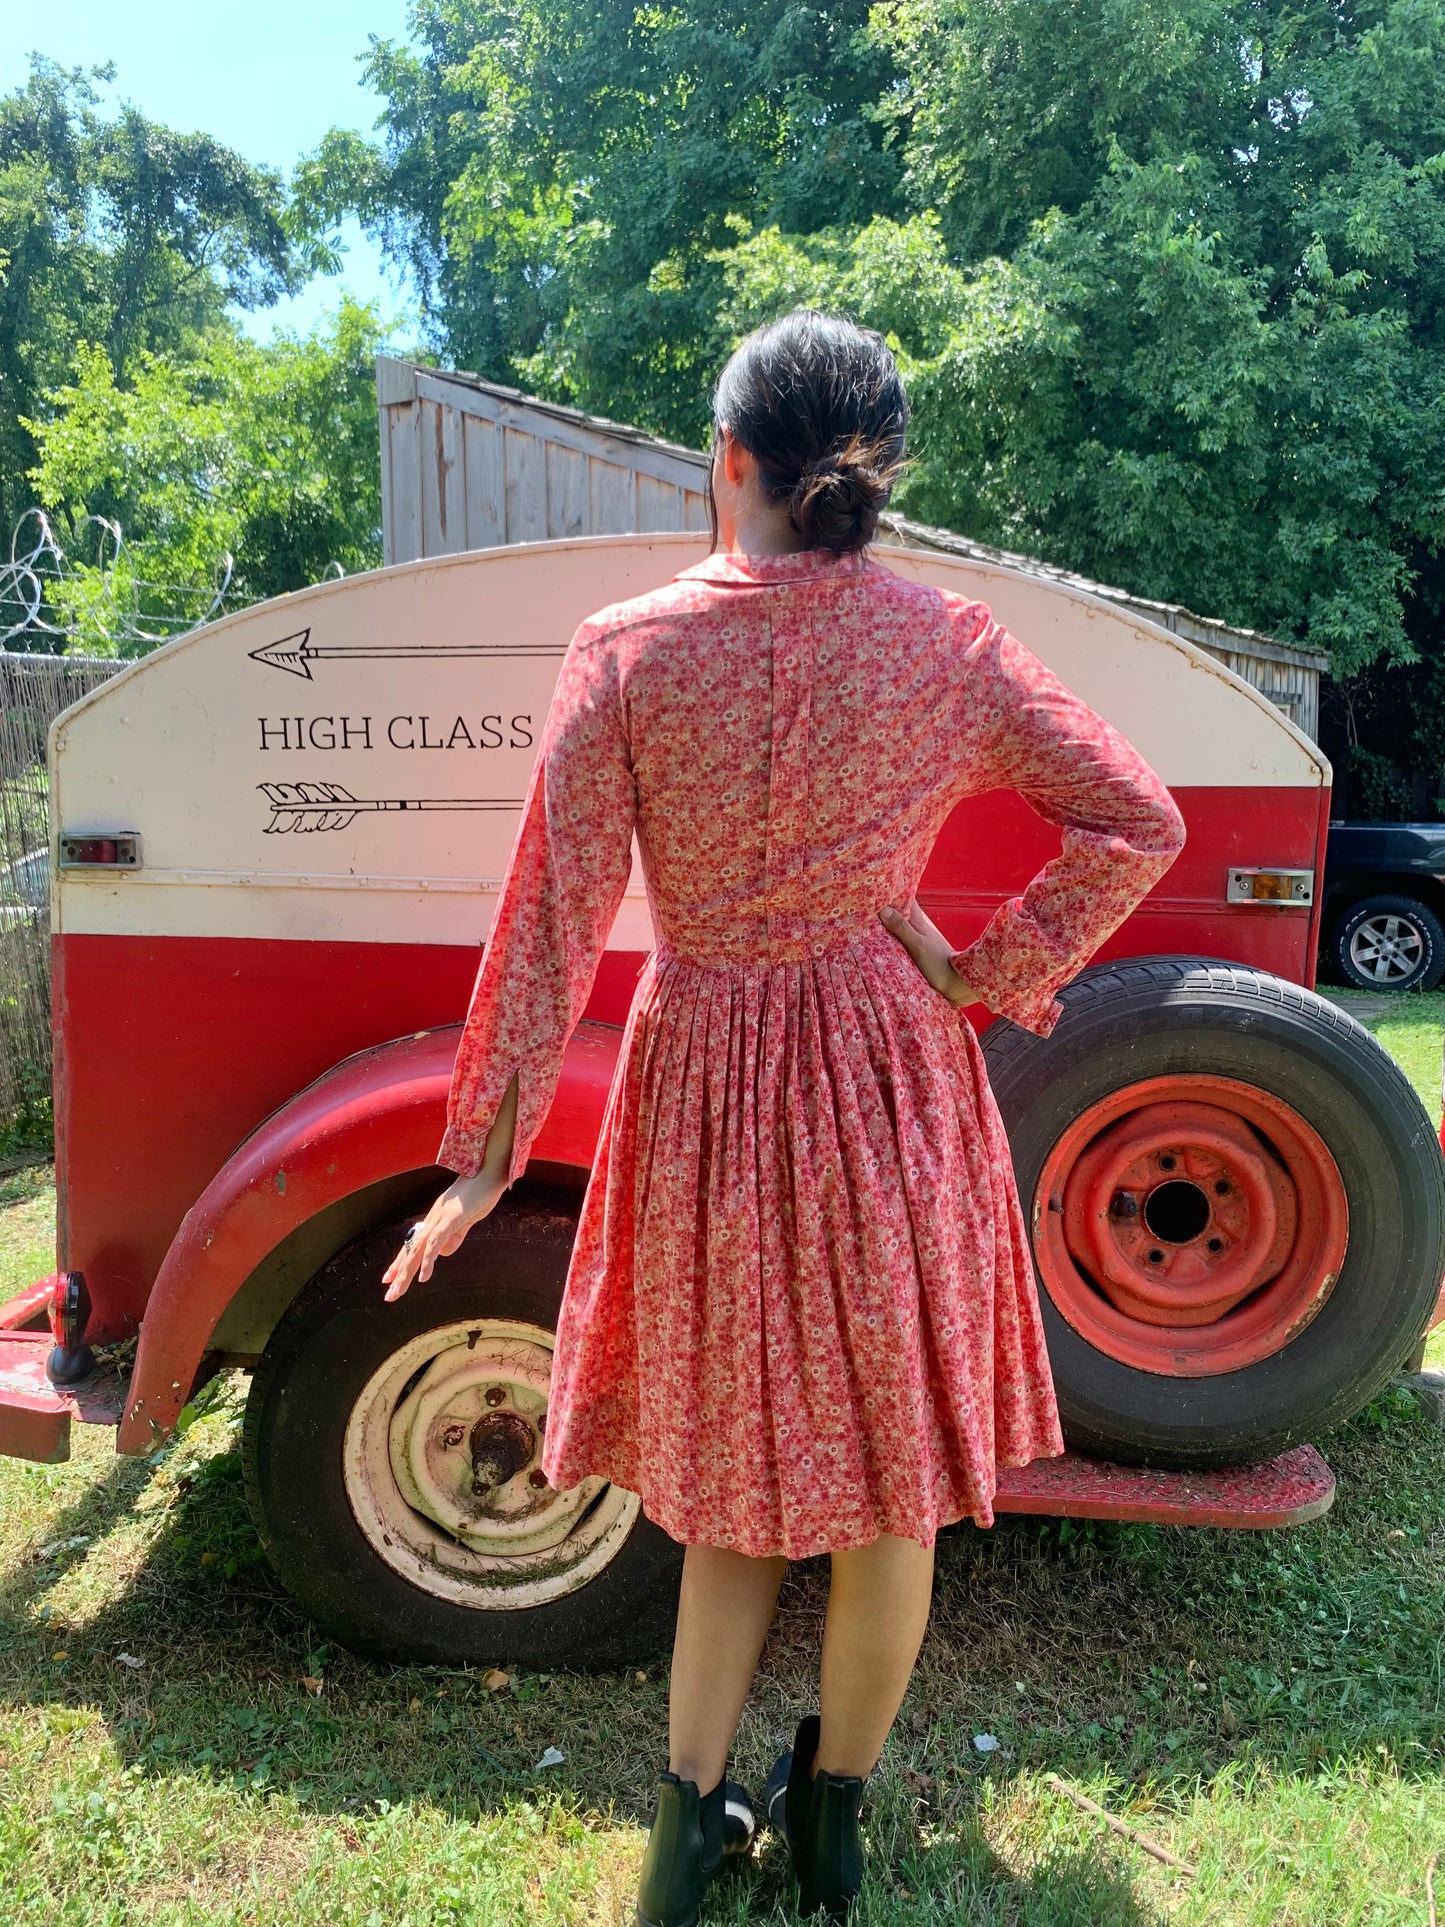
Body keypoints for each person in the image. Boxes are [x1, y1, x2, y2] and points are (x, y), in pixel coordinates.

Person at [382, 309, 1186, 1925]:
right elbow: (1136, 817)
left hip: (705, 1083)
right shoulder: (945, 643)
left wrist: (479, 1156)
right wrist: (980, 971)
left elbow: (548, 914)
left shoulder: (624, 647)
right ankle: (833, 1823)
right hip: (889, 1075)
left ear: (726, 462)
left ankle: (687, 1836)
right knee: (891, 1477)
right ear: (873, 472)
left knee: (729, 1464)